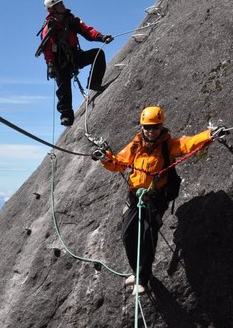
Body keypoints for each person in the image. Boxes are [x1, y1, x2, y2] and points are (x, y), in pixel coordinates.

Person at [93, 106, 223, 294]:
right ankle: (137, 272)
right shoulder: (136, 145)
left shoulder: (167, 145)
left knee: (147, 237)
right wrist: (105, 158)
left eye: (155, 127)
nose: (150, 131)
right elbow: (119, 163)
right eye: (147, 127)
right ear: (142, 127)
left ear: (161, 127)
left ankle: (143, 278)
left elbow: (188, 143)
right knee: (128, 236)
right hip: (134, 197)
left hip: (155, 200)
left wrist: (210, 135)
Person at [35, 0, 114, 126]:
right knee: (64, 87)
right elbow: (47, 47)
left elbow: (87, 31)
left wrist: (101, 37)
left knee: (98, 54)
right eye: (59, 4)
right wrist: (50, 65)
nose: (63, 5)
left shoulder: (71, 20)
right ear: (53, 9)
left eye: (61, 3)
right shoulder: (50, 26)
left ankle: (94, 83)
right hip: (59, 62)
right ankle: (66, 116)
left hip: (74, 55)